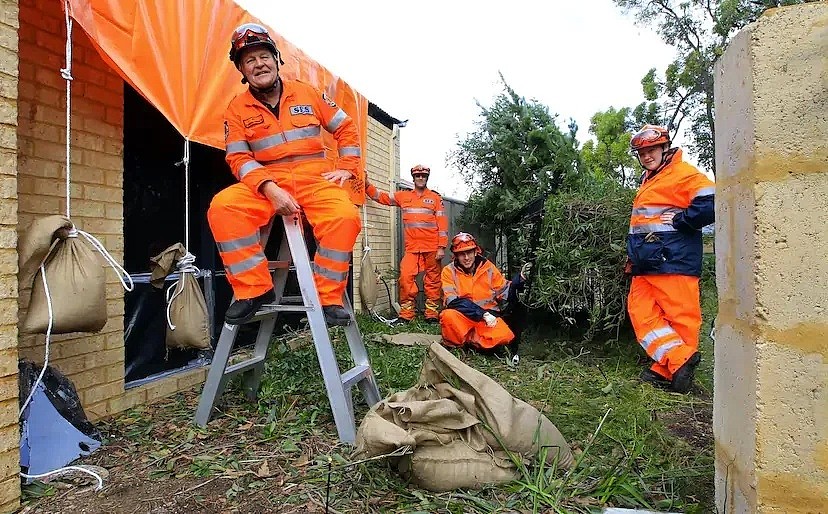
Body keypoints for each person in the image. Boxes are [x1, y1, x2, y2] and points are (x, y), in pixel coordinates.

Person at [207, 23, 362, 327]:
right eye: (249, 60)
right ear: (242, 70)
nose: (258, 64)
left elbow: (346, 128)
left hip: (315, 179)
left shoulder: (307, 92)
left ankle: (328, 297)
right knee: (223, 208)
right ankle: (253, 290)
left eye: (263, 56)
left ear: (276, 60)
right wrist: (268, 187)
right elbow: (237, 157)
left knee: (345, 217)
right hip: (267, 182)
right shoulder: (236, 109)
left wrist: (347, 167)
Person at [625, 124, 715, 393]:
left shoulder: (681, 173)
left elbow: (713, 201)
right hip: (647, 262)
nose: (647, 156)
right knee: (640, 312)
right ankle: (676, 360)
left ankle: (671, 371)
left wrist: (682, 220)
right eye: (642, 152)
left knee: (680, 317)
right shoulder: (651, 178)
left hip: (674, 259)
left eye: (652, 149)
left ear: (665, 148)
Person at [365, 164, 448, 322]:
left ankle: (431, 314)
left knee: (433, 280)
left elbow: (442, 224)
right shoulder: (403, 196)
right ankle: (407, 314)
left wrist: (441, 247)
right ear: (414, 178)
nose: (420, 178)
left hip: (432, 247)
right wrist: (366, 184)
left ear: (427, 178)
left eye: (423, 176)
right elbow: (380, 197)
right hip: (412, 248)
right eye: (418, 176)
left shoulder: (435, 199)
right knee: (405, 277)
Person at [440, 232, 531, 365]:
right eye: (461, 254)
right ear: (455, 256)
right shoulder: (449, 271)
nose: (466, 257)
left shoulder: (488, 268)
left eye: (469, 252)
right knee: (448, 317)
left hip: (488, 318)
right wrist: (482, 314)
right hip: (463, 316)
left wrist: (520, 279)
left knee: (504, 336)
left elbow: (505, 291)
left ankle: (472, 340)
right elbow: (453, 301)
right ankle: (460, 344)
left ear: (476, 252)